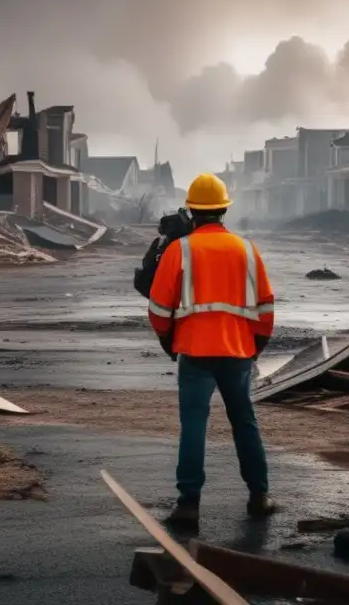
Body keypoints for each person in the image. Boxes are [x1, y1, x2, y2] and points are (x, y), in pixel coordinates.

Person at [147, 172, 276, 527]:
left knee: (193, 425)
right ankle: (259, 496)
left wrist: (168, 343)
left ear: (192, 211)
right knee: (245, 423)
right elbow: (266, 309)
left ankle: (189, 504)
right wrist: (255, 348)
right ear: (223, 210)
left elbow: (158, 309)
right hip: (237, 353)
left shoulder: (179, 250)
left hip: (194, 353)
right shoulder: (247, 250)